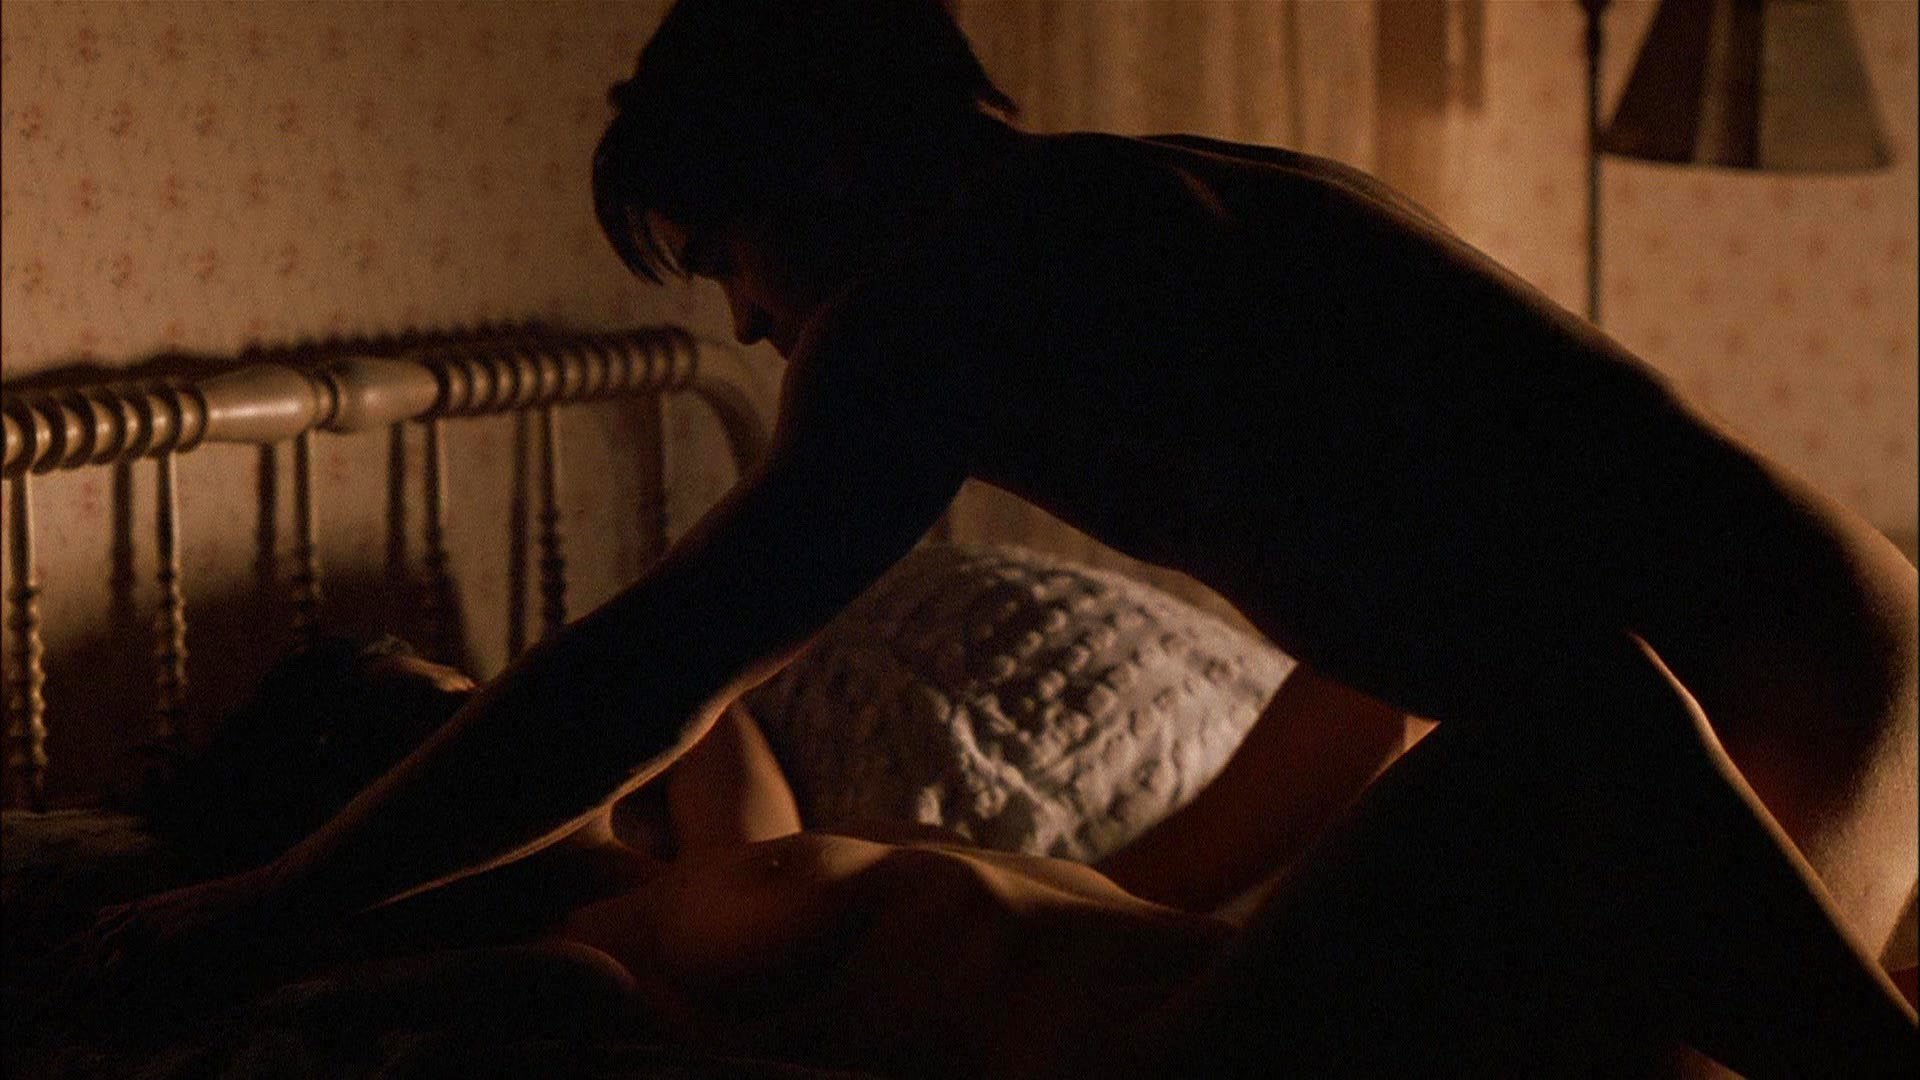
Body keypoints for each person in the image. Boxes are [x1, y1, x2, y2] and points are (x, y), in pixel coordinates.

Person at [82, 0, 1915, 1074]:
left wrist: (266, 907)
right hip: (1844, 652)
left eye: (725, 259)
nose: (745, 324)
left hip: (1722, 712)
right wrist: (1184, 894)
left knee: (1542, 772)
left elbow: (651, 672)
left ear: (809, 170)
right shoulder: (1161, 203)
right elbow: (1392, 642)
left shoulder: (940, 299)